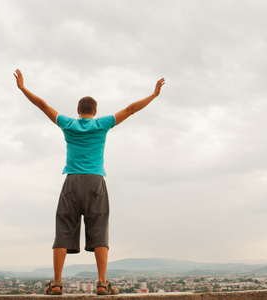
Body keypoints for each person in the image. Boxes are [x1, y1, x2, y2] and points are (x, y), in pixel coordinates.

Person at [13, 69, 165, 295]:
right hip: (96, 182)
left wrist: (23, 88)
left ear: (77, 111)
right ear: (95, 112)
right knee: (100, 230)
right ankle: (102, 284)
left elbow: (43, 106)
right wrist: (153, 95)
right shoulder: (102, 124)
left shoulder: (68, 124)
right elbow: (130, 109)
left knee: (63, 230)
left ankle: (56, 283)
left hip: (72, 182)